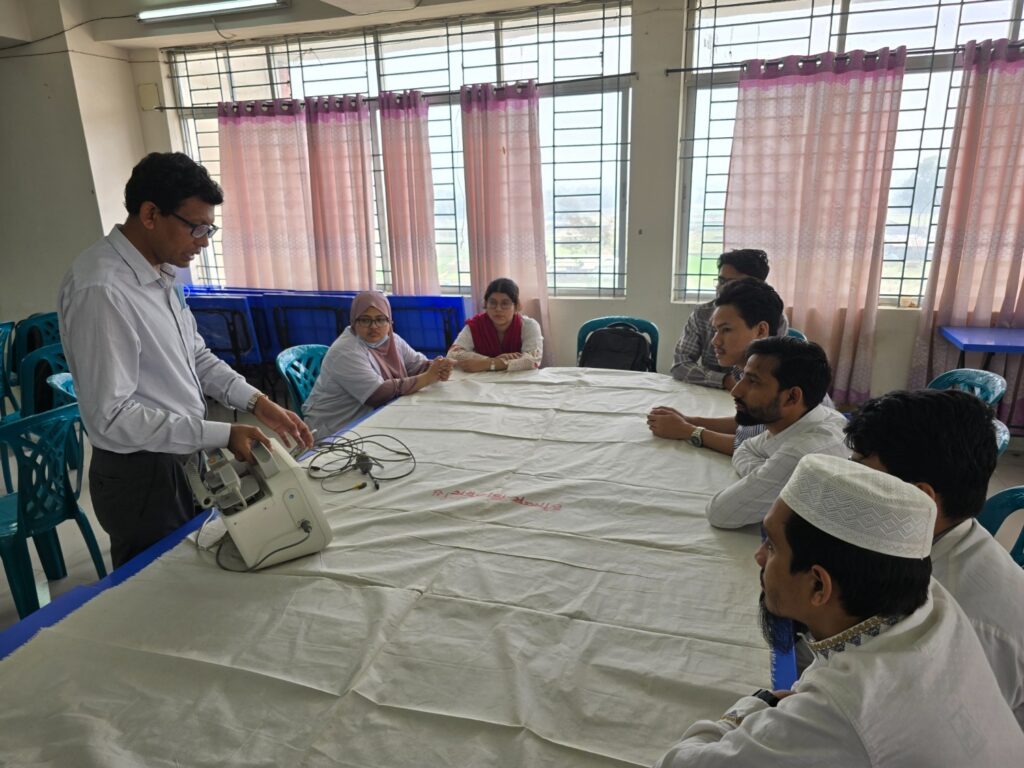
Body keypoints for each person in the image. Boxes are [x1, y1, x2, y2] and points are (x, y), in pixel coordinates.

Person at [655, 454, 1024, 767]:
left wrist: (756, 704)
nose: (759, 557)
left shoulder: (840, 710)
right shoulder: (931, 599)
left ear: (819, 585)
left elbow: (678, 762)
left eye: (772, 546)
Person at [58, 152, 313, 568]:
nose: (204, 240)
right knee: (159, 588)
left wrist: (257, 402)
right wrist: (222, 433)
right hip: (141, 473)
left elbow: (196, 356)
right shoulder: (102, 289)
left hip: (180, 455)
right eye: (196, 227)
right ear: (150, 214)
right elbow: (112, 417)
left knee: (197, 571)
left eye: (209, 228)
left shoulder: (158, 273)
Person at [845, 389, 1024, 728]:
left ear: (919, 499)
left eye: (860, 474)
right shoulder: (928, 544)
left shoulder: (966, 622)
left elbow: (938, 737)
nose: (847, 486)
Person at [704, 337, 848, 528]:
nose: (736, 391)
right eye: (743, 377)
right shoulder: (818, 416)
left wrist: (771, 476)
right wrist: (768, 474)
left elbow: (720, 513)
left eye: (753, 381)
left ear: (791, 397)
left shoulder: (801, 454)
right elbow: (744, 448)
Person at [649, 278, 784, 454]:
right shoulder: (746, 368)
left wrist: (688, 431)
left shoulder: (775, 378)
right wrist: (688, 420)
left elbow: (752, 448)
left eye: (726, 330)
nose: (715, 341)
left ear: (761, 330)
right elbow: (747, 426)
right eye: (715, 330)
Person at [303, 290, 452, 439]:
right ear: (353, 322)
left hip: (370, 420)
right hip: (336, 430)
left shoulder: (392, 340)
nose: (374, 326)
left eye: (380, 319)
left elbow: (418, 366)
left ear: (390, 321)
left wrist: (439, 367)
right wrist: (427, 377)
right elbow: (377, 394)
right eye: (365, 320)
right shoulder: (346, 350)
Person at [671, 249, 788, 388]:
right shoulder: (702, 313)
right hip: (712, 392)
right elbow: (680, 364)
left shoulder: (774, 318)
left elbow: (770, 372)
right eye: (721, 281)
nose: (722, 288)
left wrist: (741, 382)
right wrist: (724, 380)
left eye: (732, 283)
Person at [446, 277, 543, 372]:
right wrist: (491, 360)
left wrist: (489, 364)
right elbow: (453, 354)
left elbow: (533, 360)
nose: (498, 309)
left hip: (518, 380)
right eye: (493, 303)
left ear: (516, 306)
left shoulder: (529, 326)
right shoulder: (475, 326)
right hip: (482, 380)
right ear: (486, 304)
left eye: (505, 303)